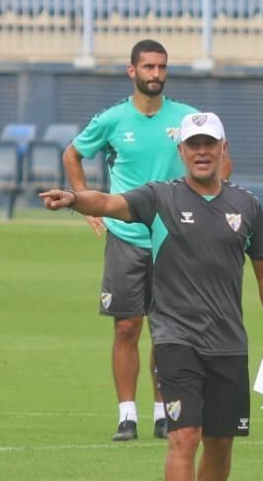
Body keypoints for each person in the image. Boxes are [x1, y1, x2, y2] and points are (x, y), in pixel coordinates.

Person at [42, 112, 263, 481]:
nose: (200, 151)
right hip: (176, 338)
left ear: (222, 149)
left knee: (221, 444)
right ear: (181, 152)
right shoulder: (161, 198)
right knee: (184, 436)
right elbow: (110, 203)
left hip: (229, 344)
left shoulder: (247, 206)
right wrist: (76, 199)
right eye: (193, 144)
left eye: (208, 144)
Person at [65, 39, 232, 442]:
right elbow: (73, 154)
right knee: (127, 327)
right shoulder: (113, 119)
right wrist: (87, 205)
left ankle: (163, 411)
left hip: (173, 237)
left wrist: (209, 202)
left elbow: (222, 160)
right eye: (148, 67)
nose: (155, 74)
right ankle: (127, 415)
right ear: (132, 71)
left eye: (161, 67)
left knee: (168, 329)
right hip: (125, 235)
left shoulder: (188, 118)